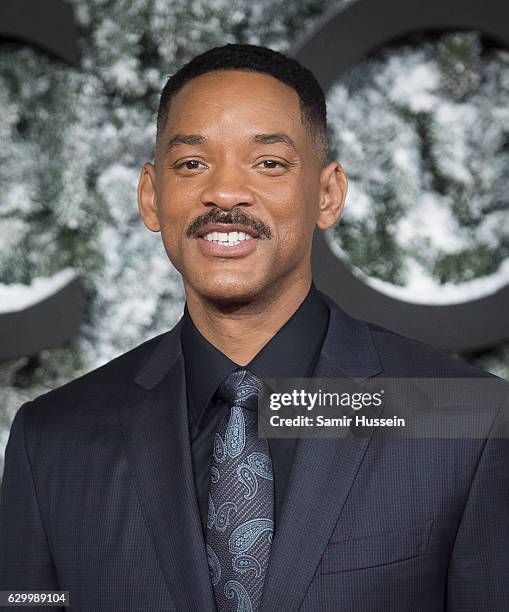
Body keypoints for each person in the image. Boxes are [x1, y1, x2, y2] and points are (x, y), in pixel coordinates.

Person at [0, 43, 508, 612]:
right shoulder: (52, 439)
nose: (224, 193)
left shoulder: (466, 424)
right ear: (150, 195)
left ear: (327, 193)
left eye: (269, 163)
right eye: (192, 164)